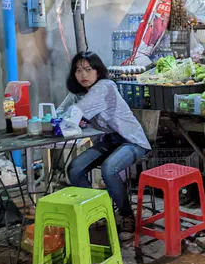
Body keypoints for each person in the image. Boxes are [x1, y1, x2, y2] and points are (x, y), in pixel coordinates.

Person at [58, 52, 150, 238]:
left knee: (109, 169)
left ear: (98, 72)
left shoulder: (105, 86)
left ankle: (126, 214)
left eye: (88, 69)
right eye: (78, 70)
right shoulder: (77, 94)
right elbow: (60, 112)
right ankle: (98, 210)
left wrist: (71, 118)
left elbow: (78, 111)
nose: (83, 75)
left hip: (131, 140)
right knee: (74, 169)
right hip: (108, 141)